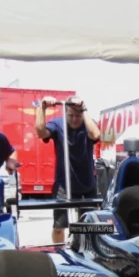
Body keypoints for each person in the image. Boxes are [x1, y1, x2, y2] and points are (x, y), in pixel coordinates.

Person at [35, 96, 101, 243]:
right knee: (59, 226)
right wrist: (42, 108)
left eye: (78, 115)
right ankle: (60, 254)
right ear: (65, 113)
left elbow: (95, 135)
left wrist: (84, 109)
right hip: (63, 184)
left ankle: (87, 253)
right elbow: (40, 132)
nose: (75, 119)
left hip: (87, 183)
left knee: (90, 226)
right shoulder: (58, 124)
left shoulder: (88, 123)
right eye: (71, 115)